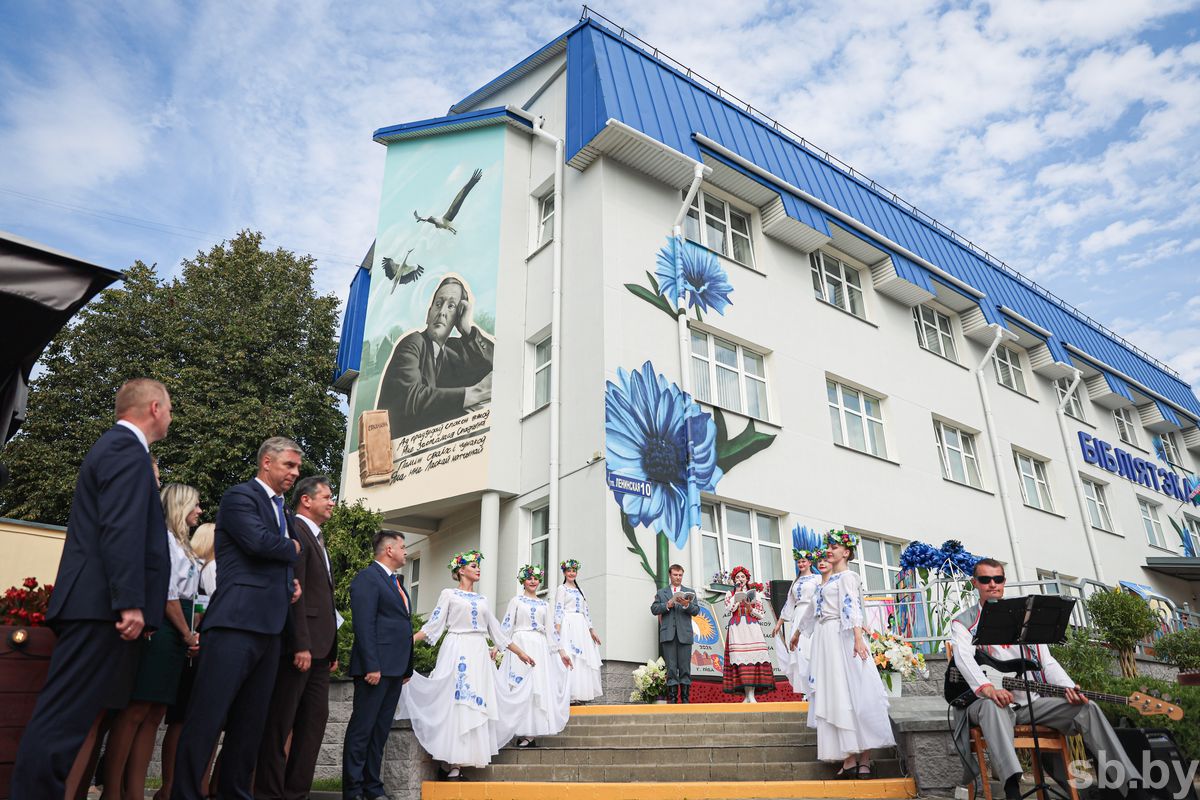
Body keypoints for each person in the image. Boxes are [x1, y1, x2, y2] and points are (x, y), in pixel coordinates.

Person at [11, 378, 172, 800]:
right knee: (64, 719)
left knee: (69, 717)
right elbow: (120, 528)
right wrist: (130, 602)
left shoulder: (120, 449)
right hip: (98, 605)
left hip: (95, 604)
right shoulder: (125, 449)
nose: (171, 418)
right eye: (170, 409)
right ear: (154, 408)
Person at [171, 437, 304, 800]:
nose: (295, 473)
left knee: (250, 724)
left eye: (297, 467)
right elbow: (261, 544)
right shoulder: (239, 497)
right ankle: (184, 793)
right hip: (234, 623)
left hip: (270, 628)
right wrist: (291, 548)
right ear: (266, 463)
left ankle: (234, 793)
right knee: (207, 718)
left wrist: (288, 582)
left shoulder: (284, 511)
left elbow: (281, 556)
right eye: (289, 465)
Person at [950, 558, 1143, 800]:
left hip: (1031, 702)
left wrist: (1069, 688)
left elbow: (1047, 662)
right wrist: (988, 689)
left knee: (1086, 707)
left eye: (997, 579)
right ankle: (1012, 789)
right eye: (985, 579)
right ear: (974, 583)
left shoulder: (1024, 617)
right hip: (986, 703)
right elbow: (963, 660)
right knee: (993, 705)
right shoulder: (963, 622)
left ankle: (1131, 786)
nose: (992, 584)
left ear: (1003, 582)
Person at [397, 550, 536, 779]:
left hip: (479, 652)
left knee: (476, 703)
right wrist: (408, 640)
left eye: (478, 566)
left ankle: (461, 761)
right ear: (461, 570)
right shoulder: (449, 594)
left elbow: (498, 632)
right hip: (457, 648)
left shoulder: (483, 600)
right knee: (457, 701)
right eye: (473, 565)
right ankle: (452, 762)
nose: (478, 568)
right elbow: (434, 625)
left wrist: (521, 653)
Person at [104, 484, 204, 800]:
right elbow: (167, 596)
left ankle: (135, 790)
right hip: (162, 627)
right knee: (136, 710)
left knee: (155, 713)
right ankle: (112, 790)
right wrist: (186, 633)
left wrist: (192, 630)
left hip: (180, 629)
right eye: (196, 505)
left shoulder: (184, 545)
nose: (200, 511)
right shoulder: (163, 542)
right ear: (181, 506)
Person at [256, 475, 339, 800]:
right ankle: (268, 792)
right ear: (306, 500)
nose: (332, 502)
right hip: (299, 648)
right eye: (327, 496)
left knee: (314, 723)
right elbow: (297, 593)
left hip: (321, 651)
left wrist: (330, 648)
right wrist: (301, 643)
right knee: (280, 724)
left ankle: (296, 793)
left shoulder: (319, 538)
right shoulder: (295, 531)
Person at [800, 531, 894, 778]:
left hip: (843, 637)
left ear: (846, 552)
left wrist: (858, 638)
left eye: (834, 547)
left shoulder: (849, 576)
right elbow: (813, 610)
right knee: (836, 694)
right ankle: (849, 756)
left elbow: (853, 605)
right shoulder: (828, 580)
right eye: (828, 546)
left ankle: (864, 757)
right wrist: (798, 633)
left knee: (856, 692)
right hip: (825, 638)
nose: (829, 550)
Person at [375, 276, 494, 437]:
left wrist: (467, 331)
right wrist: (473, 393)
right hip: (394, 454)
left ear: (457, 317)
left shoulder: (452, 352)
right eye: (438, 304)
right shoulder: (413, 342)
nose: (442, 312)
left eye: (451, 306)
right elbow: (411, 398)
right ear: (429, 314)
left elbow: (497, 364)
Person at [342, 531, 413, 800]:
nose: (406, 552)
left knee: (379, 732)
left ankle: (372, 787)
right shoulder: (367, 579)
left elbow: (402, 626)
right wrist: (372, 665)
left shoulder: (396, 582)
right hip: (375, 670)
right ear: (389, 550)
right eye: (403, 547)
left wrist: (406, 667)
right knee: (362, 731)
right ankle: (353, 790)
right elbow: (364, 624)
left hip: (395, 671)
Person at [154, 521, 216, 800]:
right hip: (196, 649)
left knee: (186, 720)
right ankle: (176, 786)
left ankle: (175, 787)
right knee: (184, 720)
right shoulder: (208, 569)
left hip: (195, 645)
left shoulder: (201, 568)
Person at [498, 565, 573, 747]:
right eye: (530, 578)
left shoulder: (545, 605)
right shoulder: (516, 601)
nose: (533, 581)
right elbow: (507, 624)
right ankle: (513, 728)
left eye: (536, 578)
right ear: (523, 580)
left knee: (535, 688)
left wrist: (562, 652)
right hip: (519, 644)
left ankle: (530, 733)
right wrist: (497, 647)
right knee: (517, 685)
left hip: (539, 647)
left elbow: (550, 632)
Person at [771, 548, 821, 695]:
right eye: (798, 561)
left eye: (803, 561)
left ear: (810, 562)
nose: (801, 564)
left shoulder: (817, 579)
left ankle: (817, 686)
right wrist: (779, 623)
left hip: (812, 615)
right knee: (798, 652)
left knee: (810, 650)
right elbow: (789, 603)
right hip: (798, 615)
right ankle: (806, 690)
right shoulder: (796, 581)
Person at [722, 566, 775, 702]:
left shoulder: (755, 594)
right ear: (734, 579)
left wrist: (750, 608)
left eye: (742, 577)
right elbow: (729, 608)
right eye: (737, 577)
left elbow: (762, 615)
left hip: (752, 628)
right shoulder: (729, 594)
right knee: (740, 661)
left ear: (747, 579)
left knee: (753, 660)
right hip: (737, 628)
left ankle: (751, 695)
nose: (740, 579)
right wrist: (737, 596)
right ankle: (747, 695)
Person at [649, 563, 700, 704]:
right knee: (671, 668)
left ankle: (685, 699)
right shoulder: (662, 592)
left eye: (680, 575)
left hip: (685, 634)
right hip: (668, 635)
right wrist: (667, 605)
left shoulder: (690, 592)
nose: (678, 577)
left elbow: (696, 611)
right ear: (670, 575)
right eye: (675, 575)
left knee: (685, 668)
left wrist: (686, 604)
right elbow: (653, 609)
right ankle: (672, 700)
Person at [554, 559, 603, 703]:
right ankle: (569, 694)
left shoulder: (580, 590)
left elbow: (586, 611)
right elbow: (558, 608)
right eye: (568, 571)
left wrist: (591, 630)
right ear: (564, 572)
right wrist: (557, 628)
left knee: (583, 659)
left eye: (574, 571)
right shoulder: (561, 589)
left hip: (581, 626)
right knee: (571, 655)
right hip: (568, 624)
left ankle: (580, 694)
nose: (571, 573)